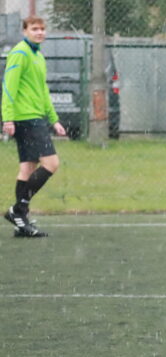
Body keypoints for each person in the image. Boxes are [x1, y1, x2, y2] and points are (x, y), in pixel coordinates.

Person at [1, 15, 66, 238]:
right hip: (25, 118)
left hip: (36, 116)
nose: (39, 32)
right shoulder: (19, 53)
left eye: (42, 29)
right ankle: (18, 210)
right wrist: (8, 118)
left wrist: (54, 119)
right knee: (51, 163)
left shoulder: (38, 56)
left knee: (27, 168)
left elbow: (43, 90)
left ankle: (21, 222)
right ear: (25, 31)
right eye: (34, 29)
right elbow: (8, 86)